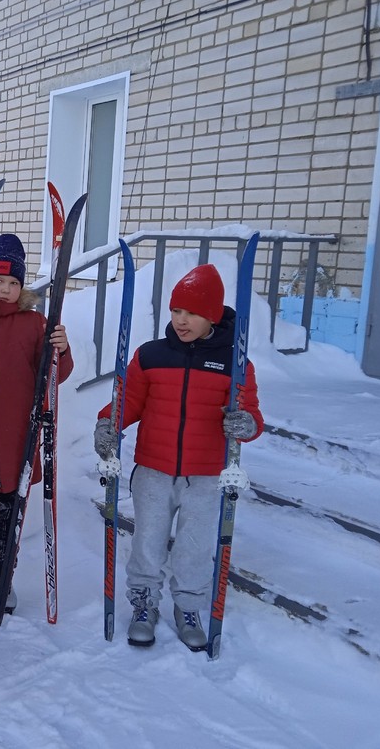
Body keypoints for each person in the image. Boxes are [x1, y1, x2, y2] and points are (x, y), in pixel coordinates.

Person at [93, 264, 263, 650]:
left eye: (192, 314)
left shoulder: (236, 364)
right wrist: (108, 423)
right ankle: (143, 604)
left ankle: (187, 607)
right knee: (147, 542)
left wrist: (246, 424)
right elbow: (129, 401)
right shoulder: (151, 355)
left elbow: (251, 413)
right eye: (176, 311)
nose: (181, 321)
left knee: (195, 546)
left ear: (213, 317)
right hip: (153, 468)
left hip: (206, 475)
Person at [0, 233, 74, 630]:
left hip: (15, 447)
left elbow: (53, 376)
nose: (5, 289)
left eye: (13, 282)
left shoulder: (33, 323)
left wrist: (60, 349)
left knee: (7, 525)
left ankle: (0, 579)